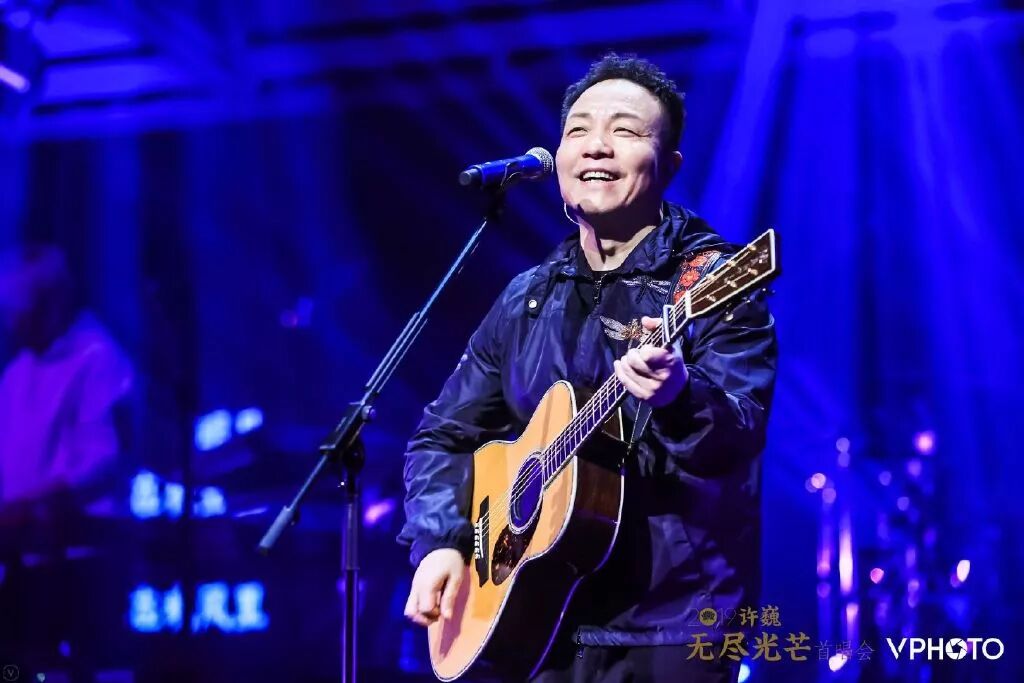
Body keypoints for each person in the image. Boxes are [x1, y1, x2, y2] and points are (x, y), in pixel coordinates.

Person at [398, 53, 777, 683]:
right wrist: (440, 540)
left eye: (625, 131)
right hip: (539, 611)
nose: (597, 145)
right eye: (579, 130)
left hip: (675, 618)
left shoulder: (713, 280)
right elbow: (444, 434)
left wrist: (679, 397)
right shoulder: (527, 297)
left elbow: (740, 433)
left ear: (669, 165)